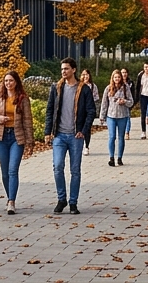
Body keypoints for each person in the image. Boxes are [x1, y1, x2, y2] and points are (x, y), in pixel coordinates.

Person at [44, 58, 95, 215]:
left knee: (75, 170)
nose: (63, 71)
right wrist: (48, 132)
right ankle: (62, 199)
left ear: (74, 70)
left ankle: (73, 202)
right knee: (57, 167)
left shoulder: (83, 89)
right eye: (62, 69)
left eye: (66, 69)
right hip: (59, 135)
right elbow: (50, 110)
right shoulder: (57, 88)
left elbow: (91, 111)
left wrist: (84, 130)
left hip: (75, 136)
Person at [0, 71, 34, 214]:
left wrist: (30, 142)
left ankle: (11, 201)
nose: (8, 83)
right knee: (4, 172)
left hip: (16, 136)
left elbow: (28, 120)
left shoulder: (23, 99)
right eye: (6, 81)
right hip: (1, 136)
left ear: (16, 82)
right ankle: (9, 196)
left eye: (11, 81)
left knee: (13, 169)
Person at [101, 72, 134, 166]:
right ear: (112, 78)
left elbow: (131, 102)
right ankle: (111, 157)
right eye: (115, 77)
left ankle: (119, 157)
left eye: (119, 77)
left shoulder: (125, 88)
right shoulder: (108, 88)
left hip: (122, 116)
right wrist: (102, 116)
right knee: (112, 137)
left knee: (121, 137)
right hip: (111, 116)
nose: (117, 79)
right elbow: (104, 103)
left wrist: (124, 101)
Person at [80, 69, 99, 152]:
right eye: (83, 75)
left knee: (87, 128)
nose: (85, 76)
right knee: (79, 127)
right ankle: (80, 144)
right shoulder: (79, 85)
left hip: (89, 110)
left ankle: (86, 146)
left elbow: (96, 97)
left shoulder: (93, 86)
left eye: (87, 74)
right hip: (80, 110)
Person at [136, 63, 148, 139]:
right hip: (143, 96)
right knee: (143, 114)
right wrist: (137, 97)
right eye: (145, 67)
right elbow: (138, 87)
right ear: (143, 68)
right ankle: (143, 131)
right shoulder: (140, 75)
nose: (147, 68)